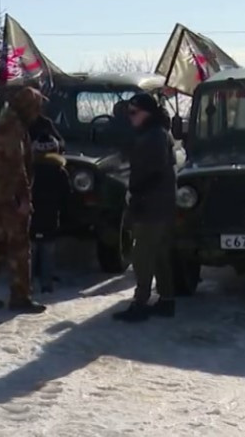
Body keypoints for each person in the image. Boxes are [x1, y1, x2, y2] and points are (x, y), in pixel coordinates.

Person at [0, 87, 46, 314]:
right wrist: (24, 198)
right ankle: (20, 296)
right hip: (10, 196)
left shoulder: (5, 122)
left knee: (1, 243)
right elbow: (16, 167)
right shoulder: (13, 128)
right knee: (20, 247)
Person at [112, 93, 177, 323]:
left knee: (143, 256)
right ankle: (167, 300)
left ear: (146, 113)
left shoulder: (155, 135)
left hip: (153, 204)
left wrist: (137, 193)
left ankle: (141, 302)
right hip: (158, 203)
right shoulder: (153, 133)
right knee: (158, 254)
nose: (130, 117)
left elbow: (154, 171)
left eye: (133, 112)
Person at [28, 115, 69, 293]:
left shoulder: (29, 172)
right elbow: (66, 196)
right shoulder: (60, 172)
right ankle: (46, 284)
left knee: (30, 253)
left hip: (31, 218)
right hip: (51, 219)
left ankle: (26, 284)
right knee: (47, 253)